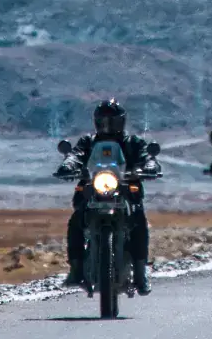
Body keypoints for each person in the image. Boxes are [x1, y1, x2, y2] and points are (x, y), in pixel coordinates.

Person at [54, 98, 163, 294]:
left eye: (112, 121)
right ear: (96, 122)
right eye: (103, 121)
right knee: (76, 220)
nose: (107, 125)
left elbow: (146, 157)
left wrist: (149, 166)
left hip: (124, 188)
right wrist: (68, 165)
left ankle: (140, 273)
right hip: (94, 188)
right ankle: (76, 269)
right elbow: (76, 155)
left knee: (139, 220)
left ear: (122, 121)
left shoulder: (132, 142)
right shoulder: (88, 142)